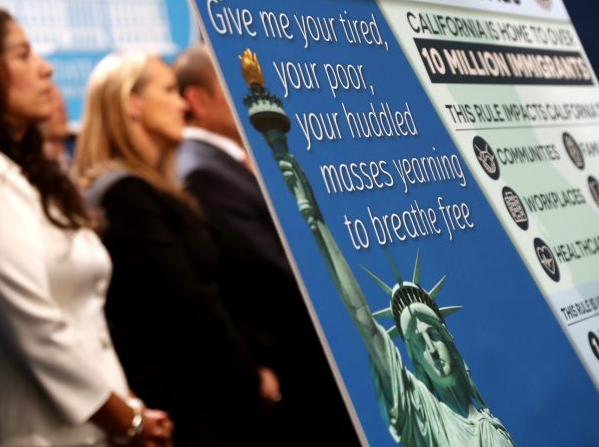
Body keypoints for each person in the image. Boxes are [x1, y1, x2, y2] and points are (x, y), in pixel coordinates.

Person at [0, 6, 172, 447]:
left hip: (91, 427)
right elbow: (31, 323)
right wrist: (129, 421)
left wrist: (130, 408)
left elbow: (85, 327)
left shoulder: (22, 176)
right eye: (22, 55)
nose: (44, 68)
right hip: (28, 431)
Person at [237, 48, 512, 446]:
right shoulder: (423, 412)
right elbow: (364, 320)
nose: (431, 349)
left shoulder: (493, 424)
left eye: (433, 335)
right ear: (413, 361)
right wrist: (315, 220)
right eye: (418, 343)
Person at [74, 51, 275, 447]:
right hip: (192, 408)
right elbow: (189, 305)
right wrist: (251, 377)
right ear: (132, 103)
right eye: (168, 90)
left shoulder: (144, 187)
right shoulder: (124, 193)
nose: (182, 103)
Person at [173, 45, 358, 444]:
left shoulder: (227, 160)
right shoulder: (201, 170)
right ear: (197, 99)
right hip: (294, 362)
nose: (249, 100)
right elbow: (268, 264)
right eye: (231, 87)